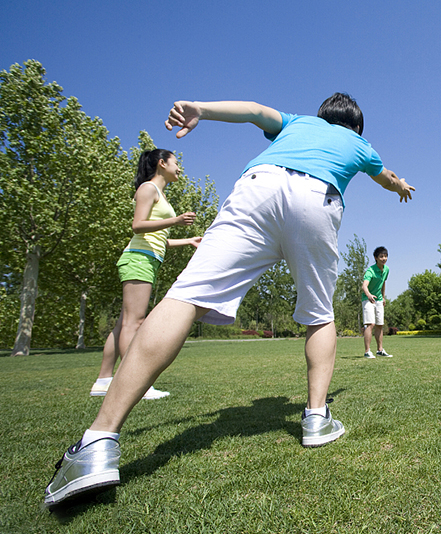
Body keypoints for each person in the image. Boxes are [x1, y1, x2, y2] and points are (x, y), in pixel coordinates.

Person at [45, 93, 415, 507]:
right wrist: (400, 185)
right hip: (317, 199)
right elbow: (386, 176)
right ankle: (316, 418)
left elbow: (254, 111)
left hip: (258, 188)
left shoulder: (297, 122)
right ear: (356, 127)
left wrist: (201, 109)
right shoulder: (359, 144)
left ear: (322, 116)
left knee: (185, 297)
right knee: (319, 315)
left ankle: (98, 442)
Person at [90, 149, 201, 401]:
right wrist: (175, 221)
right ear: (162, 163)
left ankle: (103, 380)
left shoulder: (159, 193)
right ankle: (133, 384)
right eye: (176, 162)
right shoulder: (148, 189)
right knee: (134, 323)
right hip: (138, 259)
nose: (179, 168)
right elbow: (138, 226)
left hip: (146, 258)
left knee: (124, 323)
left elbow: (158, 239)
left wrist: (188, 241)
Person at [362, 246, 393, 358]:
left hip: (379, 299)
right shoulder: (370, 270)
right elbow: (364, 286)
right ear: (376, 258)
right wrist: (369, 295)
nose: (384, 259)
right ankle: (367, 351)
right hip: (368, 299)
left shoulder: (386, 269)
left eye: (385, 256)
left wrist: (383, 297)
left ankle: (380, 350)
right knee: (370, 324)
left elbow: (383, 282)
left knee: (380, 324)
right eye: (381, 256)